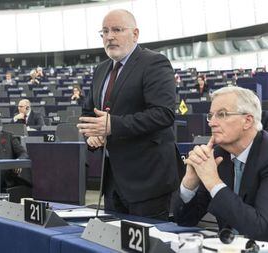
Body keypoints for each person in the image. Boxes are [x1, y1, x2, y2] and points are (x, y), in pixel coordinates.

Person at [77, 9, 179, 219]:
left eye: (117, 30)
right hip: (112, 180)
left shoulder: (154, 63)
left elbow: (163, 114)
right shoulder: (100, 70)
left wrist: (112, 126)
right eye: (104, 31)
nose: (110, 36)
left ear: (135, 34)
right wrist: (93, 134)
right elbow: (88, 112)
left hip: (147, 180)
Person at [173, 86, 268, 241]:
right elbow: (185, 220)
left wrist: (213, 182)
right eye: (211, 115)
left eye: (222, 114)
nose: (212, 123)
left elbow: (261, 230)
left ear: (247, 121)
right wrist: (189, 183)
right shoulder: (217, 154)